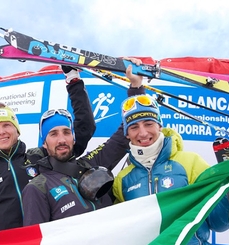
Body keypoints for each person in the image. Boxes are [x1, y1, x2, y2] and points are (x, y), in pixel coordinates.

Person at [112, 65, 229, 245]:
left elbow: (216, 222)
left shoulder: (190, 162)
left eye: (149, 124)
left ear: (159, 125)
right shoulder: (123, 180)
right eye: (134, 127)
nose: (142, 133)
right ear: (126, 133)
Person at [0, 66, 96, 245]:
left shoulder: (39, 157)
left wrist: (74, 81)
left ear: (17, 129)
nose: (2, 132)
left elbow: (85, 130)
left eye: (7, 125)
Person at [21, 58, 145, 226]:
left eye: (66, 132)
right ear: (44, 142)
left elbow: (125, 134)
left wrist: (136, 88)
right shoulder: (38, 187)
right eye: (53, 134)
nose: (62, 139)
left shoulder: (91, 163)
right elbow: (35, 243)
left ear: (73, 136)